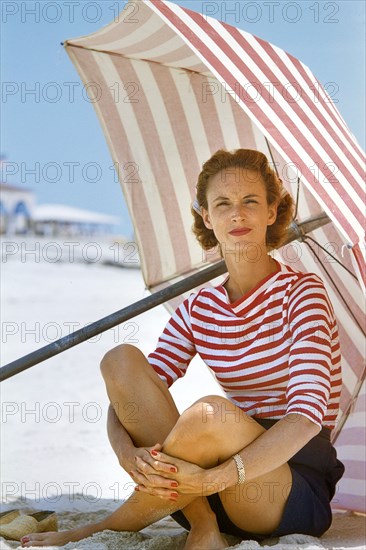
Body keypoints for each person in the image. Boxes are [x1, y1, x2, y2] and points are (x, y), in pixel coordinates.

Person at [21, 149, 344, 549]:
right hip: (197, 488)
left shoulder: (302, 294)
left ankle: (103, 525)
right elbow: (132, 395)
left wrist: (216, 477)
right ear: (207, 217)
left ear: (272, 212)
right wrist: (124, 452)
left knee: (208, 415)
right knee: (119, 361)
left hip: (281, 486)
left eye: (250, 202)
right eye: (223, 204)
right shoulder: (198, 307)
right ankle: (203, 524)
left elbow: (306, 417)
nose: (237, 215)